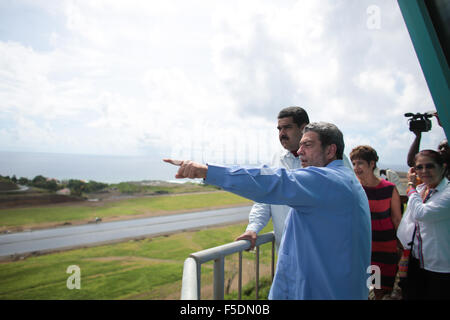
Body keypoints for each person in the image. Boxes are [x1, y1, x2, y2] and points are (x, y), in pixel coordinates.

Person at [164, 122, 371, 300]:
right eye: (300, 146)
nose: (299, 152)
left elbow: (274, 181)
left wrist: (206, 172)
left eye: (307, 145)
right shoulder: (347, 180)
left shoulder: (327, 180)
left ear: (330, 150)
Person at [235, 106, 307, 251]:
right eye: (279, 129)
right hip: (286, 253)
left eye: (287, 128)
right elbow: (263, 199)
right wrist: (252, 228)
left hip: (320, 254)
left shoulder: (326, 157)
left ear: (304, 129)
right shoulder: (274, 160)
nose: (282, 134)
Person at [350, 145, 402, 299]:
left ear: (372, 164)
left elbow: (397, 219)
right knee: (363, 291)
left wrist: (403, 248)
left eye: (360, 163)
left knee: (381, 292)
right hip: (362, 250)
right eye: (353, 164)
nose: (356, 168)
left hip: (385, 250)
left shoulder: (389, 189)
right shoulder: (353, 189)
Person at [398, 150, 450, 299]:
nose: (424, 171)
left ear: (443, 167)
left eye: (430, 166)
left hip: (440, 267)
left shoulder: (447, 193)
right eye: (419, 167)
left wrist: (410, 187)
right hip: (416, 261)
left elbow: (421, 214)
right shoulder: (421, 190)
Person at [407, 112, 450, 179]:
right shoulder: (436, 162)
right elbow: (412, 162)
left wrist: (445, 126)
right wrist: (418, 136)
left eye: (447, 147)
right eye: (440, 147)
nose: (442, 150)